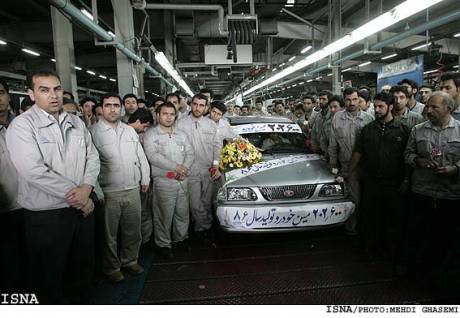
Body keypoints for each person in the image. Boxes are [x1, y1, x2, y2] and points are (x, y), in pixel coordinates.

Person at [6, 70, 100, 303]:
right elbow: (33, 171)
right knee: (48, 278)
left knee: (82, 272)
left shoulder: (76, 121)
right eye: (44, 90)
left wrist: (87, 188)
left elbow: (93, 157)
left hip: (81, 211)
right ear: (31, 93)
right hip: (46, 216)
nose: (53, 95)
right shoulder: (22, 126)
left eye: (57, 89)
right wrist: (80, 197)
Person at [90, 92, 150, 283]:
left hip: (132, 188)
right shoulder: (92, 132)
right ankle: (111, 267)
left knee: (133, 229)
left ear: (121, 108)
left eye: (116, 105)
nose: (113, 109)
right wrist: (97, 191)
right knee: (110, 235)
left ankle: (130, 260)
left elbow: (141, 157)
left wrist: (145, 179)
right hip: (109, 192)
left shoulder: (129, 130)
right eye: (108, 105)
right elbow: (89, 164)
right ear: (101, 109)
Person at [404, 91, 460, 283]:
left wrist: (455, 168)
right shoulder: (418, 130)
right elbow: (407, 155)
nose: (428, 110)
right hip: (422, 192)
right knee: (420, 234)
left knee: (446, 237)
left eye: (434, 107)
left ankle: (442, 276)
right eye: (427, 106)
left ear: (448, 109)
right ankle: (419, 272)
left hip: (450, 194)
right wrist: (418, 161)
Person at [350, 92, 410, 270]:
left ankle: (392, 253)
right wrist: (349, 172)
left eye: (381, 106)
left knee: (393, 220)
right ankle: (371, 250)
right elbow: (358, 153)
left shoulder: (403, 129)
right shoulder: (367, 130)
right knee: (372, 217)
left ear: (391, 107)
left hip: (393, 183)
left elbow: (408, 156)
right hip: (371, 182)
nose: (376, 110)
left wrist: (406, 180)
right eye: (375, 106)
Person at [143, 102, 194, 259]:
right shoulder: (151, 135)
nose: (168, 117)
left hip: (182, 179)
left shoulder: (181, 134)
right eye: (165, 114)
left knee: (182, 213)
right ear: (158, 116)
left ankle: (181, 239)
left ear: (175, 116)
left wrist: (183, 168)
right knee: (163, 215)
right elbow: (153, 156)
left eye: (171, 114)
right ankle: (163, 244)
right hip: (164, 181)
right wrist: (176, 167)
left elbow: (190, 153)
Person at [328, 87, 374, 235]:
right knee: (354, 200)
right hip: (348, 167)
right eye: (348, 100)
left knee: (367, 199)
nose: (352, 103)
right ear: (344, 101)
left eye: (355, 99)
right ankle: (352, 230)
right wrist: (334, 165)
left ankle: (365, 228)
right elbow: (333, 144)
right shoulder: (337, 118)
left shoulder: (368, 118)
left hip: (367, 167)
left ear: (359, 100)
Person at [176, 93, 221, 241]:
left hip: (208, 169)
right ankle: (207, 225)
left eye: (201, 105)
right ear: (191, 104)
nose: (197, 108)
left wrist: (216, 166)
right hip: (190, 169)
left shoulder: (211, 125)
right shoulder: (180, 123)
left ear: (206, 107)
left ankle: (199, 229)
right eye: (195, 104)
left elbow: (217, 146)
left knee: (206, 202)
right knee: (195, 204)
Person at [0, 78, 22, 293]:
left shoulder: (23, 126)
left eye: (1, 92)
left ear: (8, 95)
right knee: (8, 263)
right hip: (3, 209)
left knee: (35, 258)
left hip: (30, 204)